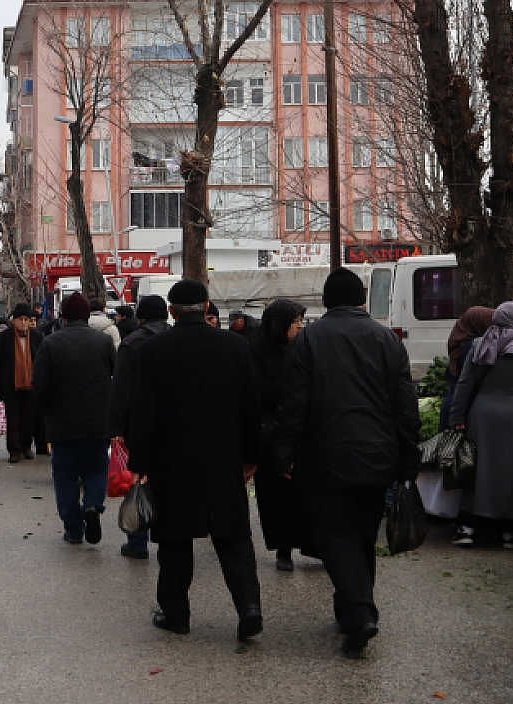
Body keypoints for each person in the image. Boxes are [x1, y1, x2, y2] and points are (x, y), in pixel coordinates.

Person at [276, 268, 421, 657]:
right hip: (379, 452)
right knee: (362, 533)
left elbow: (294, 404)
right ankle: (354, 608)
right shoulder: (386, 339)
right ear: (360, 299)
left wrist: (286, 453)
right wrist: (409, 454)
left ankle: (358, 612)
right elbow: (405, 402)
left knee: (336, 533)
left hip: (326, 452)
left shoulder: (308, 340)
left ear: (327, 300)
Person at [126, 280, 263, 640]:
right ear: (206, 308)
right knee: (233, 536)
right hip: (224, 457)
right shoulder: (235, 346)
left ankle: (176, 615)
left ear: (172, 311)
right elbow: (251, 406)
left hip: (171, 461)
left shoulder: (153, 350)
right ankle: (249, 608)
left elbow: (143, 412)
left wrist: (139, 463)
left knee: (174, 540)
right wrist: (252, 456)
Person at [447, 302, 513, 549]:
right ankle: (510, 531)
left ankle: (467, 528)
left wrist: (456, 418)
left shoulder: (479, 345)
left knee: (480, 469)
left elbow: (464, 385)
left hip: (483, 414)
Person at [34, 293, 118, 543]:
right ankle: (93, 504)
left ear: (64, 316)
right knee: (96, 469)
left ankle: (73, 528)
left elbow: (40, 385)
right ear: (86, 315)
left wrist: (45, 413)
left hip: (62, 424)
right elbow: (117, 376)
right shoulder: (103, 341)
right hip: (97, 421)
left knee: (65, 477)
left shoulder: (50, 343)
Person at [108, 294, 170, 560]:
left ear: (140, 318)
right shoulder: (175, 339)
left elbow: (121, 388)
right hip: (173, 423)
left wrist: (116, 427)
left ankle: (137, 541)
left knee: (138, 479)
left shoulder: (132, 344)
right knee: (168, 480)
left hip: (138, 422)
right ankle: (170, 538)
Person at [251, 299, 308, 571]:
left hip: (300, 428)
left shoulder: (303, 348)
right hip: (270, 433)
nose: (300, 327)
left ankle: (312, 544)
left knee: (304, 491)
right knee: (276, 494)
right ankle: (283, 548)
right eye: (295, 322)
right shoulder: (256, 351)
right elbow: (256, 391)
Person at [442, 306, 497, 544]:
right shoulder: (475, 347)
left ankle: (456, 520)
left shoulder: (459, 341)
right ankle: (467, 523)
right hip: (465, 411)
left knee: (459, 466)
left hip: (454, 408)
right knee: (469, 466)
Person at [0, 303, 42, 461]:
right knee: (12, 420)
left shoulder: (37, 337)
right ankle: (14, 450)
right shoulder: (3, 338)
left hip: (31, 386)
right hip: (10, 385)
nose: (24, 322)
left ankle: (26, 447)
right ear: (14, 321)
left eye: (26, 319)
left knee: (29, 420)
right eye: (21, 319)